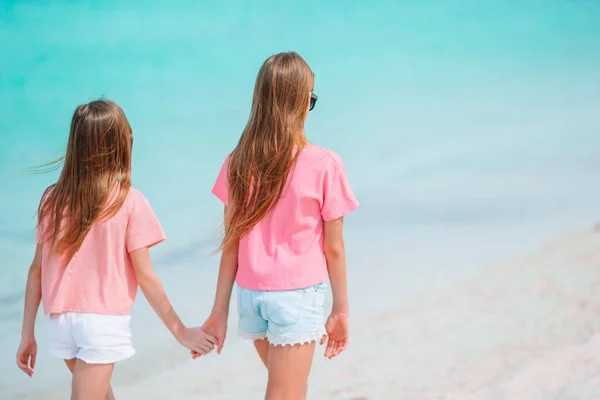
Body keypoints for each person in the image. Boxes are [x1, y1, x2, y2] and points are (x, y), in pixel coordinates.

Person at [16, 100, 216, 400]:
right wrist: (180, 331)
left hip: (60, 322)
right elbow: (146, 278)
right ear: (120, 144)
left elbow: (36, 269)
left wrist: (27, 334)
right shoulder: (129, 202)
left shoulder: (53, 198)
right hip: (101, 326)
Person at [199, 52, 359, 399]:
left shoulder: (237, 161)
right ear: (300, 103)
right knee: (286, 393)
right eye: (311, 99)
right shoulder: (323, 164)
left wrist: (219, 310)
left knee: (292, 390)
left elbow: (232, 243)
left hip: (250, 297)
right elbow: (334, 247)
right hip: (296, 298)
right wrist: (341, 309)